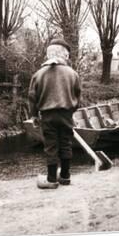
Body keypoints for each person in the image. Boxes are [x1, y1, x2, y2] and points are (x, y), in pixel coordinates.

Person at [28, 39, 81, 189]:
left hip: (47, 115)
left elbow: (32, 97)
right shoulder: (73, 74)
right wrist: (72, 110)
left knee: (51, 146)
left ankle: (51, 179)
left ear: (48, 54)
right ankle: (65, 176)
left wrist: (34, 115)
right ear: (65, 55)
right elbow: (78, 96)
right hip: (66, 114)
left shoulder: (38, 74)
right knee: (66, 144)